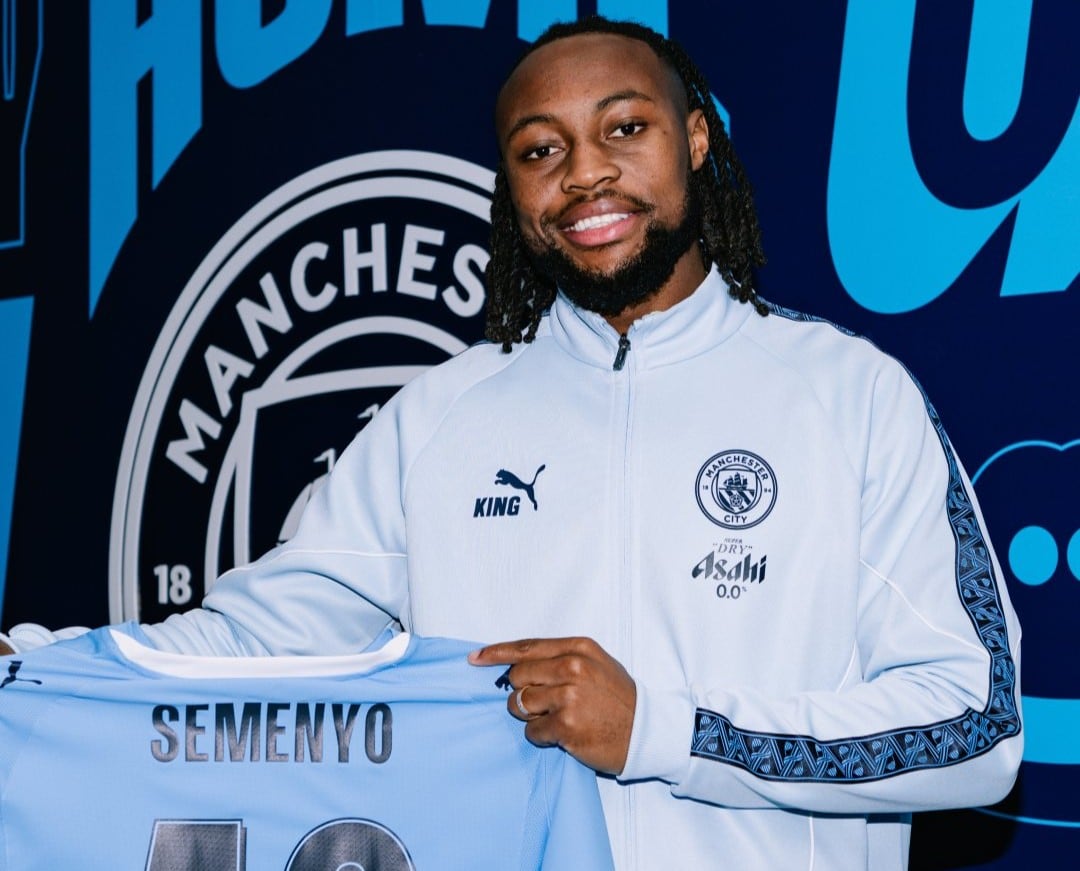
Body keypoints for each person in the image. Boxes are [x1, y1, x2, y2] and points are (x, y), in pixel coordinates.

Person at [1, 16, 1021, 870]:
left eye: (625, 127)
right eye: (541, 150)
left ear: (697, 141)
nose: (586, 175)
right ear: (511, 187)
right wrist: (36, 672)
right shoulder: (440, 414)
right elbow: (259, 638)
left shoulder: (849, 397)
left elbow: (978, 730)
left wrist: (662, 730)